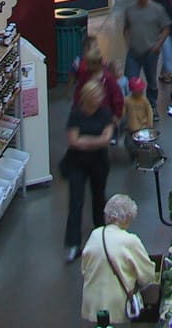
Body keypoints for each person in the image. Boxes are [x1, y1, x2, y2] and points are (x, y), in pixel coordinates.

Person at [81, 193, 158, 324]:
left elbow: (84, 269)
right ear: (128, 218)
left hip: (92, 302)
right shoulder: (130, 240)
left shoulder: (95, 234)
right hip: (116, 305)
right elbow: (147, 275)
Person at [63, 81, 115, 264]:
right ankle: (72, 244)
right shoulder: (76, 114)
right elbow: (73, 141)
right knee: (75, 202)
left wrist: (86, 141)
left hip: (99, 163)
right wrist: (96, 140)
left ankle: (101, 239)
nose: (100, 98)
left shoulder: (105, 114)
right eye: (97, 95)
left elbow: (106, 139)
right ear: (88, 97)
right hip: (77, 163)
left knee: (99, 199)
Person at [123, 0, 170, 117]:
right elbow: (125, 29)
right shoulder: (130, 10)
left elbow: (166, 27)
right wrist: (128, 43)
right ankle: (131, 107)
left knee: (151, 81)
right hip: (134, 52)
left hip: (150, 52)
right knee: (130, 79)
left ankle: (152, 106)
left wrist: (158, 44)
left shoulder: (157, 10)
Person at [72, 45, 124, 129]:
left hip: (105, 113)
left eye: (89, 64)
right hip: (88, 112)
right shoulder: (85, 76)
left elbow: (117, 97)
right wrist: (76, 107)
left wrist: (117, 114)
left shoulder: (108, 78)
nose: (87, 66)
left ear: (98, 63)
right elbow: (79, 92)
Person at [121, 77, 154, 159]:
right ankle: (133, 154)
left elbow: (149, 111)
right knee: (129, 143)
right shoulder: (127, 100)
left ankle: (142, 155)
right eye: (138, 90)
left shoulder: (144, 100)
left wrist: (149, 123)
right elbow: (122, 112)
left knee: (142, 144)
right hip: (130, 128)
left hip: (142, 127)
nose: (141, 92)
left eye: (141, 90)